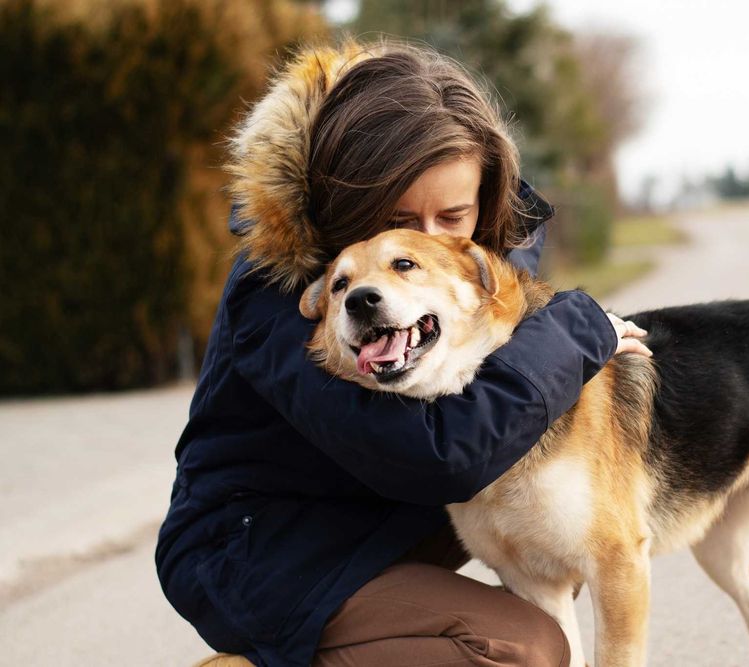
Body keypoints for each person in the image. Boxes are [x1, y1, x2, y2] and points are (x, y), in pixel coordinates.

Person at [156, 41, 650, 667]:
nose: (433, 242)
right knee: (520, 650)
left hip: (385, 521)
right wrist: (574, 332)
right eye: (399, 218)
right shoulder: (275, 291)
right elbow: (436, 454)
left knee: (548, 537)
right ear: (350, 195)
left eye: (453, 216)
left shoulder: (482, 248)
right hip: (255, 548)